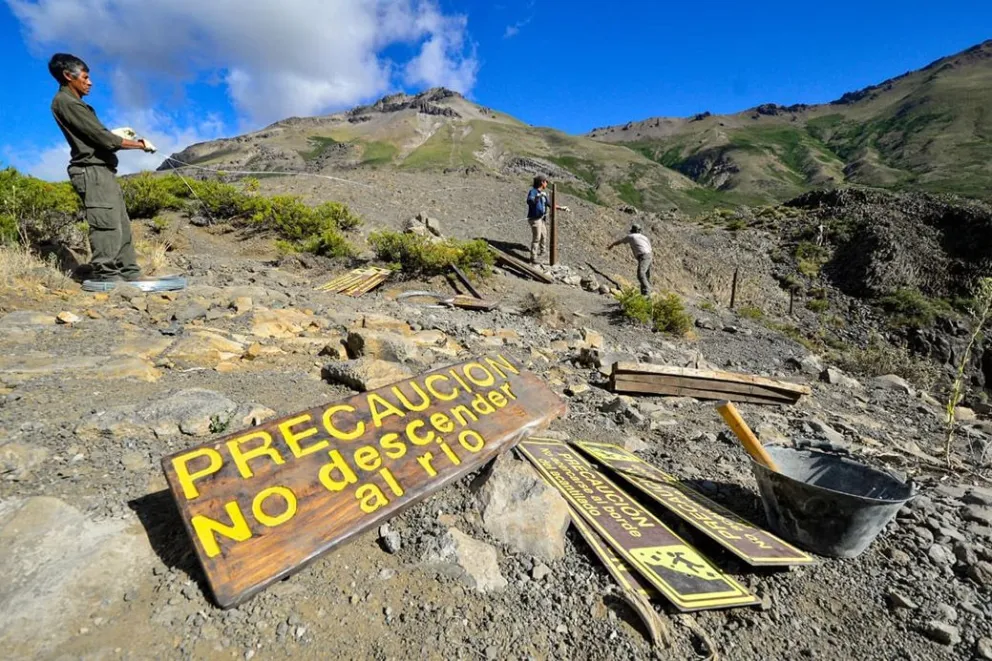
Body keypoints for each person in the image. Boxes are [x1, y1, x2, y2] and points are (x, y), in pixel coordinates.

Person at [49, 53, 155, 283]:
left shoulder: (77, 104)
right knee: (105, 224)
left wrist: (116, 135)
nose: (90, 82)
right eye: (85, 77)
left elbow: (97, 136)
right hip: (91, 170)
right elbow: (102, 139)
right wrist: (139, 144)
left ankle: (129, 272)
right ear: (68, 76)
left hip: (102, 170)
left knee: (120, 223)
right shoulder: (66, 102)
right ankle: (107, 276)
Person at [525, 175, 569, 264]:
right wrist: (537, 197)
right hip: (535, 219)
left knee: (544, 235)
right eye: (546, 182)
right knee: (537, 237)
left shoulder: (543, 194)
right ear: (542, 182)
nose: (547, 183)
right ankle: (533, 257)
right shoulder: (533, 191)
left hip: (541, 219)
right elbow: (529, 201)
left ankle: (542, 252)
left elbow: (550, 204)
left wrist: (561, 208)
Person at [607, 222, 653, 296]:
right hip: (649, 255)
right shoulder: (644, 237)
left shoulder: (631, 236)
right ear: (639, 230)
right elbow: (649, 248)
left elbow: (620, 241)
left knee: (641, 273)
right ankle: (646, 294)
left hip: (643, 256)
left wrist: (612, 245)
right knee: (646, 275)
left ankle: (647, 292)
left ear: (633, 230)